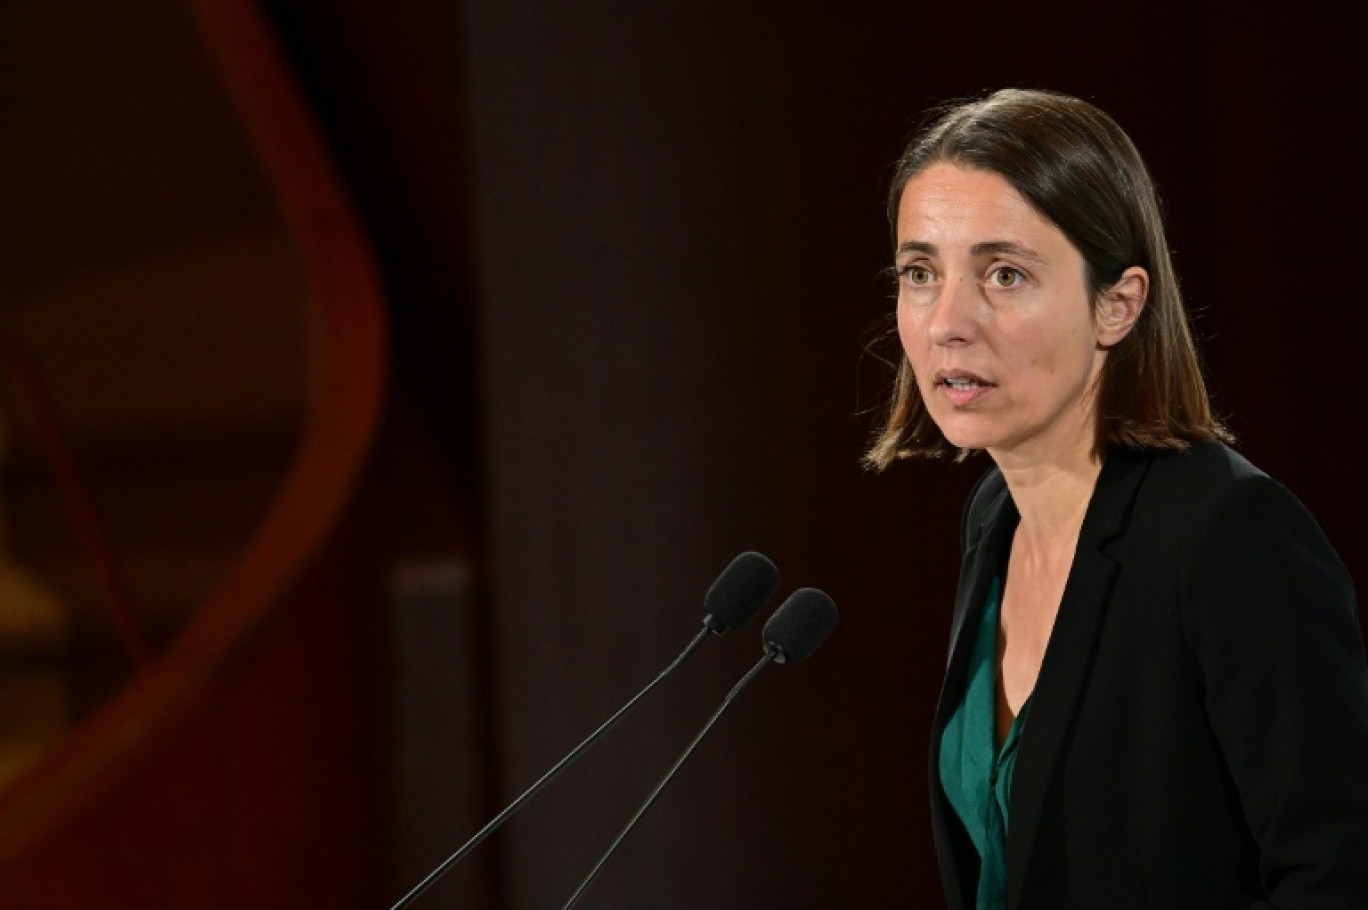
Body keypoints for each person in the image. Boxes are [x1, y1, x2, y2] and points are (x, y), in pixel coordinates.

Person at [866, 88, 1368, 908]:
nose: (947, 322)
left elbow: (1338, 869)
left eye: (1004, 274)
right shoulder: (993, 518)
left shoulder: (1229, 534)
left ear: (1118, 305)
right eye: (920, 272)